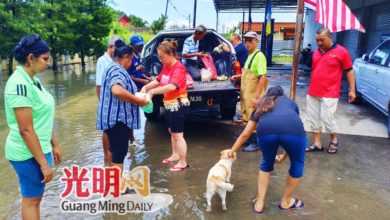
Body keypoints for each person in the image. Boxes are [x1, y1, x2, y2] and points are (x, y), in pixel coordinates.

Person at [4, 34, 62, 220]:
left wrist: (54, 143)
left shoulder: (33, 80)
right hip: (27, 152)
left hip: (39, 148)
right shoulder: (19, 84)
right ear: (31, 58)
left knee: (35, 198)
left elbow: (41, 117)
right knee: (31, 200)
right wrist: (44, 165)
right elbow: (26, 130)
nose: (48, 63)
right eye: (45, 58)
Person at [229, 86, 306, 214]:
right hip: (294, 134)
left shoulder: (261, 105)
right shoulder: (291, 103)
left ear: (267, 96)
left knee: (266, 163)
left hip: (266, 132)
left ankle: (259, 203)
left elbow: (245, 134)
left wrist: (231, 151)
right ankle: (286, 202)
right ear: (283, 95)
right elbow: (292, 129)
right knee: (297, 163)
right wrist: (285, 156)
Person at [96, 39, 149, 171]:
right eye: (131, 59)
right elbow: (117, 90)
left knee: (114, 152)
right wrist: (139, 101)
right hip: (118, 121)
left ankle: (113, 185)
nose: (131, 63)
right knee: (118, 157)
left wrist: (129, 131)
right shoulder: (118, 70)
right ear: (126, 57)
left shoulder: (111, 67)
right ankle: (118, 189)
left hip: (115, 120)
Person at [306, 28, 356, 154]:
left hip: (330, 92)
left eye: (322, 40)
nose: (319, 43)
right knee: (313, 119)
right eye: (317, 40)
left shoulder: (341, 52)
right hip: (313, 91)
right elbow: (314, 69)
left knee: (326, 118)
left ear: (330, 38)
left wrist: (352, 90)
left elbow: (349, 71)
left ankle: (334, 139)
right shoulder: (316, 52)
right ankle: (317, 144)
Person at [142, 41, 190, 172]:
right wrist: (146, 87)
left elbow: (171, 86)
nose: (160, 59)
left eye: (161, 57)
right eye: (159, 57)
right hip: (169, 105)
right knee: (172, 132)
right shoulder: (166, 66)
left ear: (170, 54)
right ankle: (175, 155)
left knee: (178, 135)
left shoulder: (178, 68)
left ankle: (183, 162)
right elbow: (158, 81)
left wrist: (152, 92)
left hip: (178, 105)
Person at [231, 31, 268, 152]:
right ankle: (249, 139)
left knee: (255, 118)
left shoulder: (259, 56)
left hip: (253, 95)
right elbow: (250, 73)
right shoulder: (250, 56)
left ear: (256, 42)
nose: (247, 43)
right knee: (247, 117)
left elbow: (262, 77)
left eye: (250, 41)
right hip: (246, 94)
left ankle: (255, 142)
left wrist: (257, 97)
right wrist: (238, 76)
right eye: (245, 41)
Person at [96, 35, 122, 164]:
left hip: (116, 102)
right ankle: (107, 158)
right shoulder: (103, 61)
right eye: (115, 49)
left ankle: (112, 157)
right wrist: (103, 104)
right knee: (107, 130)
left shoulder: (115, 60)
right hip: (107, 103)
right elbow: (99, 85)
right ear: (110, 47)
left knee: (114, 131)